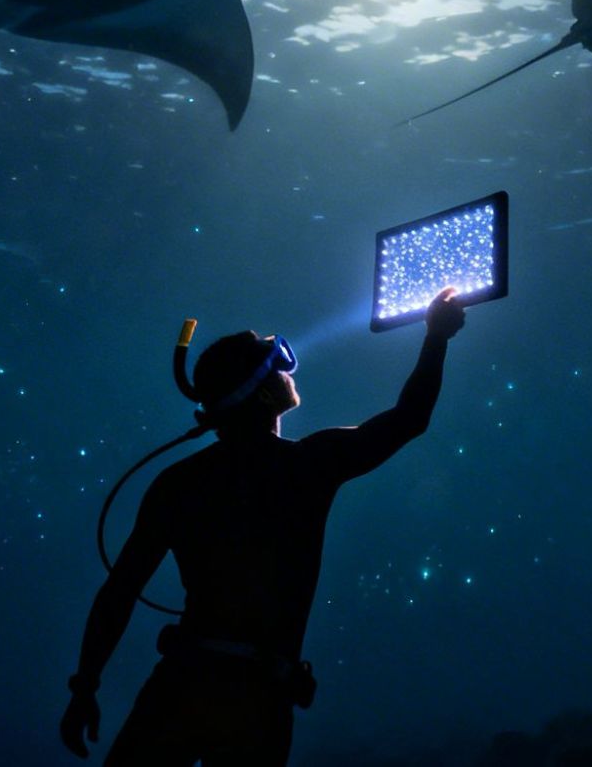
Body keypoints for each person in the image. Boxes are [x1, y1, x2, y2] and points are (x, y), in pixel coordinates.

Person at [60, 287, 468, 765]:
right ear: (261, 391)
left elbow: (119, 591)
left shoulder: (178, 484)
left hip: (180, 685)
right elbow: (409, 419)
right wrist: (436, 337)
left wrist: (85, 686)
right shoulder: (309, 465)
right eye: (276, 364)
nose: (288, 370)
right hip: (257, 701)